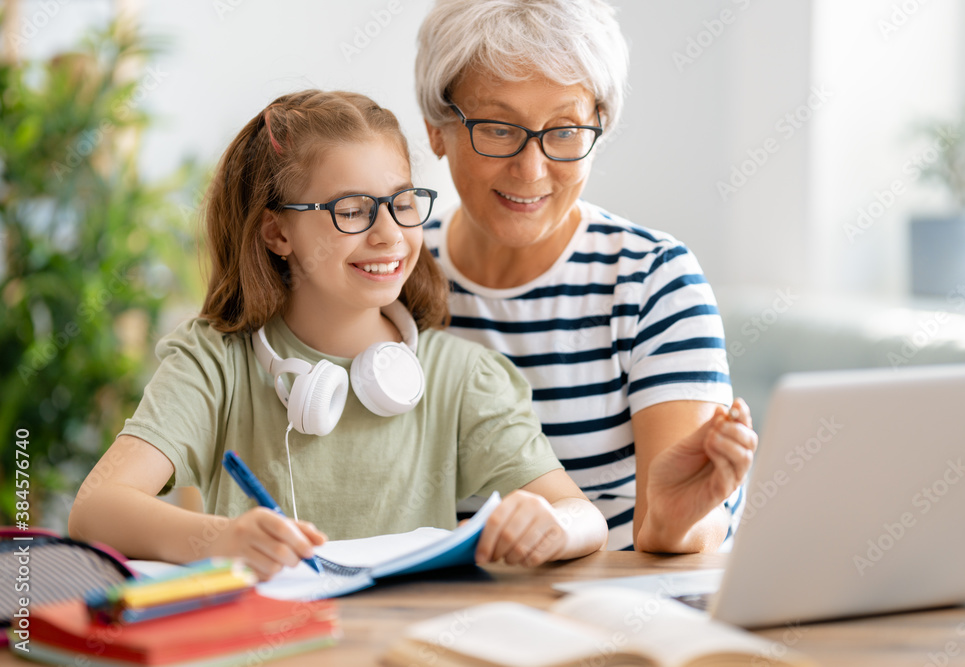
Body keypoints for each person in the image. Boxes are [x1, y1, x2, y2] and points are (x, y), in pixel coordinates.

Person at [68, 90, 608, 579]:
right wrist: (221, 539)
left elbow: (583, 515)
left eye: (401, 204)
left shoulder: (461, 376)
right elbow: (95, 509)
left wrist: (553, 527)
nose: (389, 234)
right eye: (351, 210)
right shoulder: (214, 361)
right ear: (278, 231)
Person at [415, 0, 758, 552]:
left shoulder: (652, 280)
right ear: (437, 129)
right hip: (439, 611)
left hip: (613, 607)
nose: (531, 170)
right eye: (499, 129)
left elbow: (674, 530)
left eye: (566, 130)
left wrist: (672, 522)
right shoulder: (393, 269)